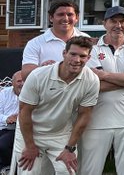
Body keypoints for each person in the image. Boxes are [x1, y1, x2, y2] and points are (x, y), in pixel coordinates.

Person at [15, 36, 100, 175]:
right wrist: (29, 146)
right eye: (73, 54)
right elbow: (24, 111)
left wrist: (70, 148)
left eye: (82, 56)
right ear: (64, 53)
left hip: (60, 133)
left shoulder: (91, 80)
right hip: (30, 132)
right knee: (30, 172)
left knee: (68, 171)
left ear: (88, 58)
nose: (77, 60)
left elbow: (84, 115)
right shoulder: (38, 75)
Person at [82, 5, 124, 175]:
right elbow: (94, 85)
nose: (118, 25)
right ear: (104, 23)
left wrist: (104, 74)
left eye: (122, 21)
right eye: (113, 21)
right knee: (90, 170)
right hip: (97, 119)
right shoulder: (92, 49)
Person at [21, 0, 86, 78]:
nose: (65, 18)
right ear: (51, 18)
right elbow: (25, 74)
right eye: (60, 14)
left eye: (70, 14)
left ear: (77, 18)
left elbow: (94, 68)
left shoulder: (87, 39)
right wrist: (43, 69)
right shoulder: (35, 43)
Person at [0, 70, 24, 170]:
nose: (22, 84)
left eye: (24, 80)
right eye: (19, 81)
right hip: (3, 127)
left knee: (3, 144)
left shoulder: (30, 93)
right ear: (12, 83)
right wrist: (7, 118)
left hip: (19, 130)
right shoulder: (4, 93)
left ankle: (10, 167)